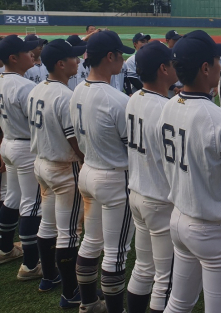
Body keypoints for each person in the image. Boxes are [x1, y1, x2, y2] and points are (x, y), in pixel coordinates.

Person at [159, 30, 221, 313]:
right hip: (216, 228)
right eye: (217, 61)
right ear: (204, 68)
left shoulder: (166, 107)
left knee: (178, 303)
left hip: (179, 218)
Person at [70, 30, 136, 313]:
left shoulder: (76, 91)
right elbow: (131, 148)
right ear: (110, 57)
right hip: (113, 178)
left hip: (88, 172)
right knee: (115, 254)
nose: (122, 58)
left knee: (90, 243)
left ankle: (87, 303)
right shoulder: (117, 99)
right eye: (119, 53)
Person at [29, 39, 87, 305]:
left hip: (41, 164)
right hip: (63, 168)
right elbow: (73, 139)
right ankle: (71, 292)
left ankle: (48, 277)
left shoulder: (36, 89)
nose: (78, 61)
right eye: (73, 58)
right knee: (69, 232)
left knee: (47, 224)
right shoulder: (65, 95)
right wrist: (85, 159)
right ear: (61, 64)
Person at [125, 42, 178, 313]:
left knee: (143, 268)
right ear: (163, 68)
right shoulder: (166, 108)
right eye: (172, 62)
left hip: (137, 192)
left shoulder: (134, 98)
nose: (175, 65)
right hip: (159, 199)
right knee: (165, 276)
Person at [0, 35, 42, 279]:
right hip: (25, 147)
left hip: (8, 143)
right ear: (14, 58)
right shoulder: (24, 86)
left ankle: (5, 248)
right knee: (31, 204)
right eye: (27, 53)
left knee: (13, 198)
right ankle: (30, 265)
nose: (32, 55)